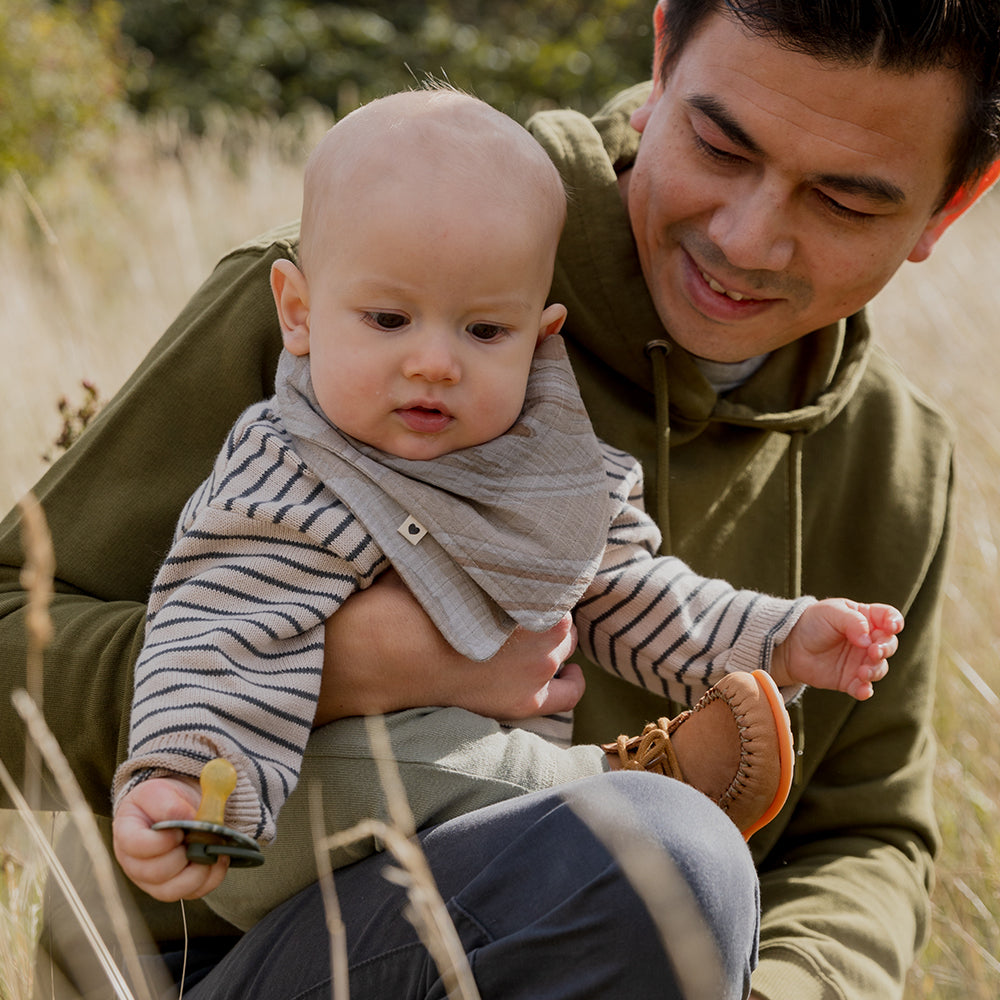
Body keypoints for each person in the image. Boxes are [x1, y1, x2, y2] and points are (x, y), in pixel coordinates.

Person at [2, 1, 999, 998]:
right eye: (719, 144)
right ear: (661, 58)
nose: (747, 238)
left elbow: (862, 836)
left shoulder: (894, 459)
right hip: (215, 962)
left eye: (845, 202)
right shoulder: (367, 291)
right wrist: (337, 666)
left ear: (950, 206)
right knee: (659, 855)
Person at [109, 88, 901, 909]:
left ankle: (602, 819)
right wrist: (181, 782)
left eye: (484, 332)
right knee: (424, 757)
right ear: (299, 312)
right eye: (388, 319)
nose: (434, 363)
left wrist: (781, 637)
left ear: (540, 335)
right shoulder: (289, 473)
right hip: (285, 834)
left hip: (475, 869)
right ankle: (616, 790)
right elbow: (215, 637)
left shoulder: (549, 471)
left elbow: (636, 598)